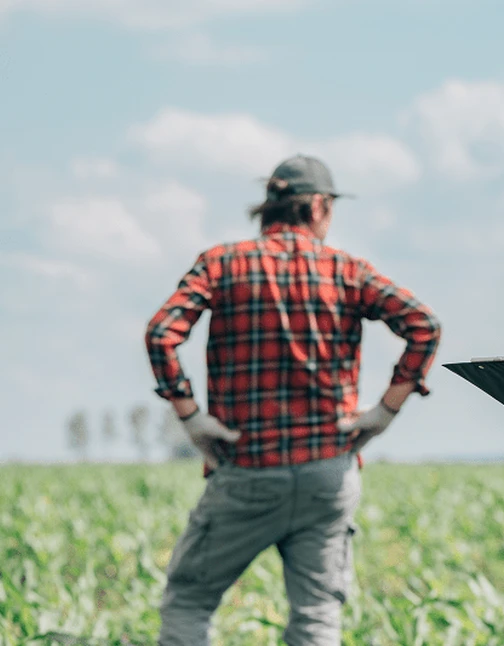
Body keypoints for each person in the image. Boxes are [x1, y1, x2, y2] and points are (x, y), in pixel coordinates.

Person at [144, 154, 441, 645]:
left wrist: (191, 417)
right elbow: (423, 324)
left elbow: (161, 334)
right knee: (317, 617)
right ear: (320, 207)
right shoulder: (348, 270)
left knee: (190, 600)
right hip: (329, 471)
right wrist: (385, 410)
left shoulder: (220, 263)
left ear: (269, 208)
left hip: (248, 469)